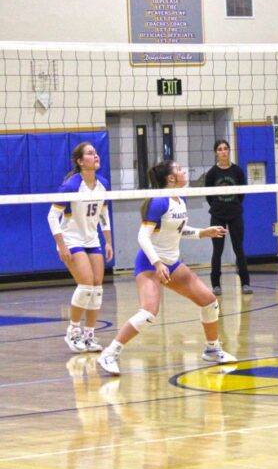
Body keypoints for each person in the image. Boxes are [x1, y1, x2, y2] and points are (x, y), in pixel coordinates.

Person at [97, 160, 235, 376]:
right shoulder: (158, 201)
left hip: (172, 264)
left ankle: (212, 349)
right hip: (150, 264)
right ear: (170, 178)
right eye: (179, 169)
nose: (183, 171)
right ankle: (110, 353)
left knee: (209, 301)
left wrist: (201, 232)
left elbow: (177, 229)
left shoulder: (179, 200)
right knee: (149, 313)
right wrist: (157, 263)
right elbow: (143, 237)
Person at [47, 141, 112, 353]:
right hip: (71, 239)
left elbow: (103, 214)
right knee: (85, 286)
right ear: (80, 161)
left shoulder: (102, 184)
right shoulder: (72, 185)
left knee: (97, 289)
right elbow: (52, 216)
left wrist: (108, 240)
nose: (96, 156)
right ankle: (73, 331)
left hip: (92, 240)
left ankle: (89, 335)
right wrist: (61, 245)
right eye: (90, 154)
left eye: (96, 153)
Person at [204, 139, 252, 296]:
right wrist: (219, 206)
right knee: (217, 250)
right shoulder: (212, 173)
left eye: (225, 148)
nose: (223, 151)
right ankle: (216, 285)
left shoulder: (237, 171)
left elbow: (241, 193)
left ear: (229, 151)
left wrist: (233, 205)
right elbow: (208, 196)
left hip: (235, 214)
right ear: (215, 153)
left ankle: (245, 283)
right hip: (217, 215)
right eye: (220, 149)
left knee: (239, 249)